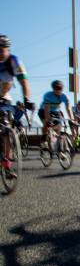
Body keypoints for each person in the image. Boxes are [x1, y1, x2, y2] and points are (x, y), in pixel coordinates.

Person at [0, 35, 33, 176]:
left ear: (8, 49)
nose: (1, 52)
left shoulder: (15, 61)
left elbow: (24, 82)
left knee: (7, 129)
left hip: (4, 98)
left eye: (3, 49)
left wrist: (26, 99)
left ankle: (7, 165)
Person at [38, 80, 74, 147]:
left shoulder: (64, 96)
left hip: (55, 112)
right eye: (56, 88)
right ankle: (44, 140)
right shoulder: (48, 95)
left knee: (59, 126)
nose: (58, 90)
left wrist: (72, 119)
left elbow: (68, 109)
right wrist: (47, 121)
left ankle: (54, 144)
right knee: (47, 124)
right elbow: (47, 109)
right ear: (53, 89)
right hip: (43, 111)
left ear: (62, 89)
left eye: (60, 88)